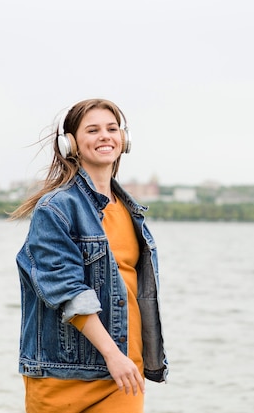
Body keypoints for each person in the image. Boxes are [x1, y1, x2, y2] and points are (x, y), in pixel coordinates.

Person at [9, 99, 168, 413]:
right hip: (66, 377)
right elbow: (69, 292)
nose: (105, 136)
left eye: (112, 129)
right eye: (92, 130)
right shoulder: (55, 208)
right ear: (71, 144)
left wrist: (126, 359)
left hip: (125, 371)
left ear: (124, 139)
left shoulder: (130, 210)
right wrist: (112, 355)